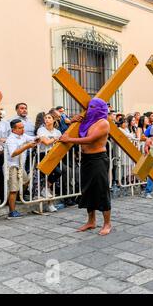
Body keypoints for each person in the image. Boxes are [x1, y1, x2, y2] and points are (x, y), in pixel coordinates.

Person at [59, 98, 112, 236]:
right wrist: (73, 121)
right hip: (86, 159)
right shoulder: (87, 122)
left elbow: (90, 139)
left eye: (93, 107)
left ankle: (107, 224)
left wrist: (69, 140)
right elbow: (73, 131)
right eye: (89, 107)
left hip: (98, 159)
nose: (90, 110)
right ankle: (91, 221)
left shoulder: (103, 123)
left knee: (101, 190)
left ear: (100, 109)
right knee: (87, 190)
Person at [6, 119, 40, 219]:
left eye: (23, 127)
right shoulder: (11, 139)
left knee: (25, 182)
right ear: (13, 129)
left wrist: (37, 139)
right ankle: (11, 212)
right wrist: (27, 146)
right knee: (13, 189)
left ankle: (14, 200)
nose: (23, 129)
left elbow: (32, 138)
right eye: (20, 128)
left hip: (21, 166)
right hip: (12, 166)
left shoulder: (23, 136)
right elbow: (13, 153)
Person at [37, 113, 62, 212]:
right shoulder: (41, 130)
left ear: (54, 120)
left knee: (57, 173)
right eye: (45, 118)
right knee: (46, 176)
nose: (47, 120)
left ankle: (48, 199)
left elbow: (59, 143)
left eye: (49, 118)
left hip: (54, 155)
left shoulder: (58, 131)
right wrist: (55, 139)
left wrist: (52, 140)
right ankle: (47, 203)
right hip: (43, 155)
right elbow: (46, 142)